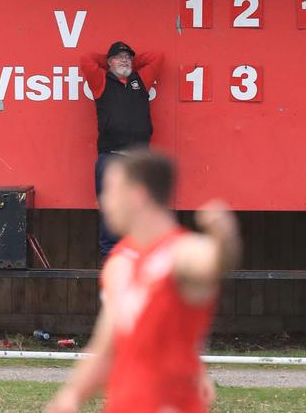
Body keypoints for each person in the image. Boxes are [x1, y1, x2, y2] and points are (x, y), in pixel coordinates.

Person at [45, 150, 241, 413]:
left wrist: (224, 234)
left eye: (111, 191)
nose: (104, 201)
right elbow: (105, 346)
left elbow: (216, 260)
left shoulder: (179, 252)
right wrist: (70, 397)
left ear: (137, 195)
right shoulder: (119, 262)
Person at [80, 42, 165, 261]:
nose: (125, 60)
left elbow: (157, 56)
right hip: (111, 156)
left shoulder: (141, 80)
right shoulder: (101, 81)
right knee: (112, 207)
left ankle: (137, 251)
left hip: (139, 159)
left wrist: (130, 62)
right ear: (109, 62)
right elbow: (87, 58)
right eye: (119, 57)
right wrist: (107, 58)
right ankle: (110, 254)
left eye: (128, 57)